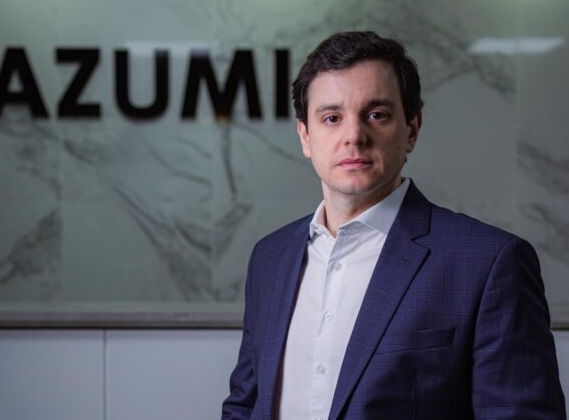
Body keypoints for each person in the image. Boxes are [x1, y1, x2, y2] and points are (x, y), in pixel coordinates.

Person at [222, 31, 566, 419]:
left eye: (377, 115)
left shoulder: (489, 263)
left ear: (412, 130)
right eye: (332, 118)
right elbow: (245, 405)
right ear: (305, 136)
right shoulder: (270, 257)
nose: (354, 136)